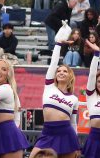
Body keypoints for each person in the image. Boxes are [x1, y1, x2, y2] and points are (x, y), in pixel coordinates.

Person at [31, 24, 80, 158]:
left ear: (70, 76)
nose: (61, 72)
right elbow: (53, 63)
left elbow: (73, 123)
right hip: (48, 132)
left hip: (66, 134)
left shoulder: (74, 99)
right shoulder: (49, 86)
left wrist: (76, 143)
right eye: (59, 71)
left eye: (65, 71)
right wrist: (58, 44)